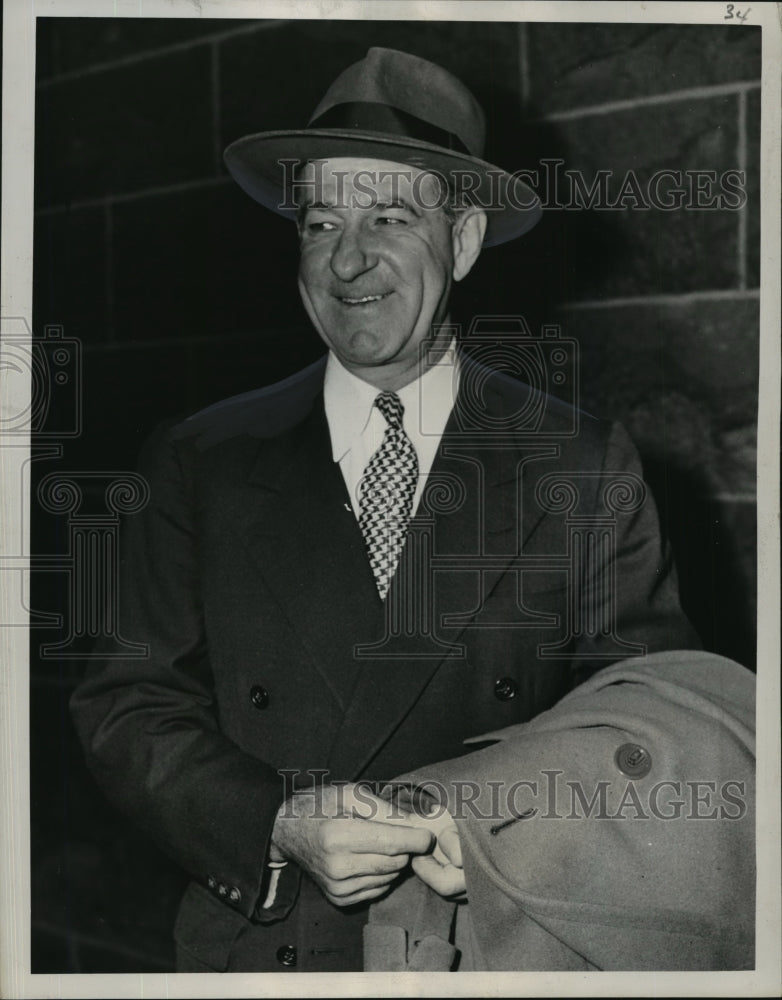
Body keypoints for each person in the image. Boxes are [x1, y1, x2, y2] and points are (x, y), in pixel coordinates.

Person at [69, 47, 699, 973]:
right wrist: (275, 824)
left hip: (494, 942)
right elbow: (125, 701)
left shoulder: (580, 463)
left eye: (390, 216)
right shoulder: (200, 456)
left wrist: (485, 818)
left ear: (466, 241)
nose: (349, 256)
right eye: (320, 221)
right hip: (267, 950)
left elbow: (653, 724)